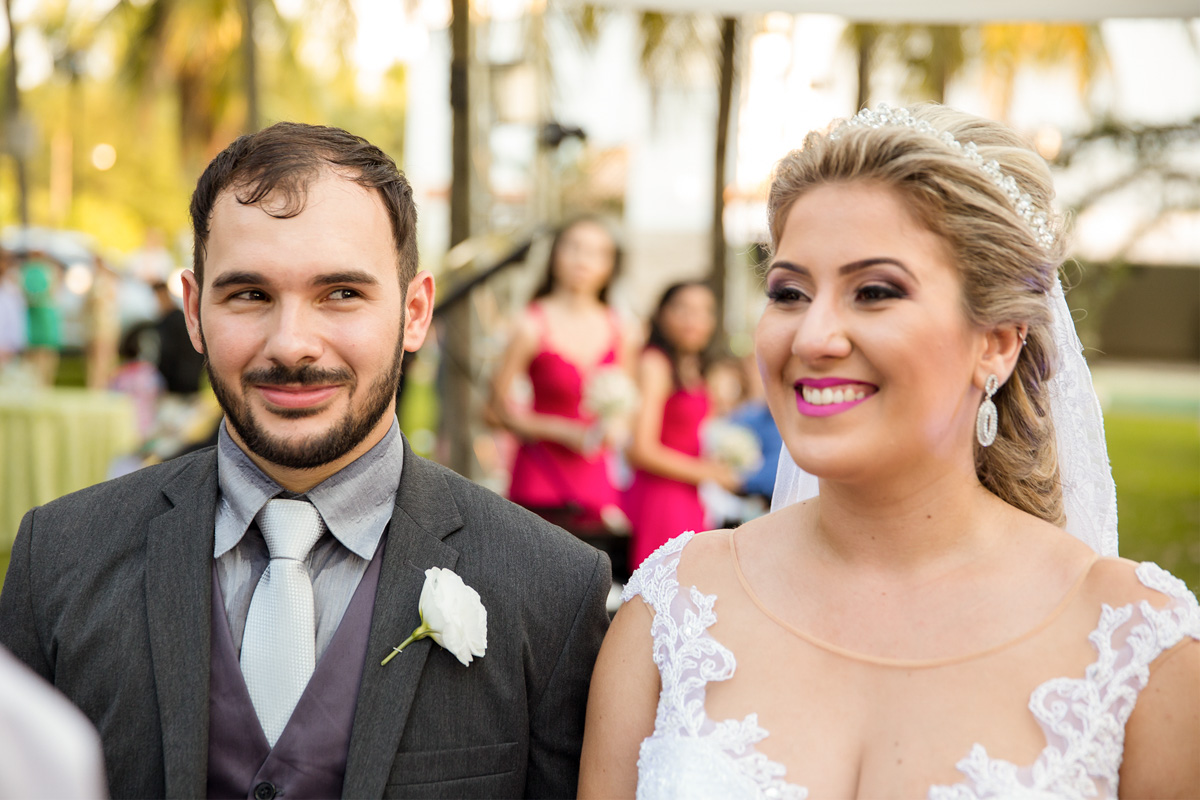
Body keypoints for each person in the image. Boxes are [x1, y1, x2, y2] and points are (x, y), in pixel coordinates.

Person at [579, 104, 1199, 799]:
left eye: (874, 292)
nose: (813, 337)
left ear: (996, 341)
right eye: (789, 292)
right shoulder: (672, 611)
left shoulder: (1138, 647)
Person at [0, 121, 611, 800]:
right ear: (195, 312)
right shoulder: (55, 561)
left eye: (341, 294)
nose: (292, 345)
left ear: (414, 312)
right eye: (250, 295)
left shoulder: (551, 589)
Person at [488, 216, 638, 576]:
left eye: (597, 252)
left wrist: (614, 427)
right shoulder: (529, 324)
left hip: (596, 483)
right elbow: (493, 409)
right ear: (555, 255)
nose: (582, 260)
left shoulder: (623, 330)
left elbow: (629, 405)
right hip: (540, 479)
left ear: (611, 265)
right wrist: (563, 431)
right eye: (574, 248)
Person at [622, 281, 738, 572]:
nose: (693, 320)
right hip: (662, 499)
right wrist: (709, 472)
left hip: (691, 497)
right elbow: (641, 449)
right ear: (662, 314)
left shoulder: (695, 367)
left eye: (703, 311)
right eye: (683, 309)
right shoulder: (655, 364)